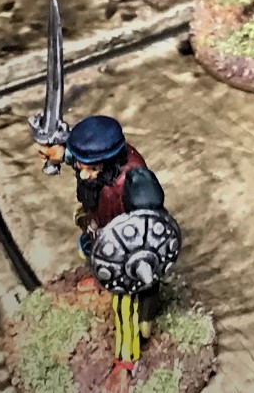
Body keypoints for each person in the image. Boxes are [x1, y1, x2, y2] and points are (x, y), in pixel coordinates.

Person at [36, 115, 168, 393]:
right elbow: (78, 160)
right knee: (87, 253)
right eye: (82, 166)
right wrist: (60, 154)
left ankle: (126, 361)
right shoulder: (93, 163)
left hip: (127, 253)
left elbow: (150, 227)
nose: (84, 174)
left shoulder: (134, 180)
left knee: (124, 306)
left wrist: (131, 263)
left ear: (110, 161)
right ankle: (100, 277)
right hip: (99, 232)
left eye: (92, 168)